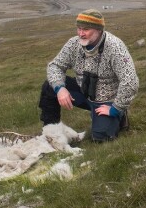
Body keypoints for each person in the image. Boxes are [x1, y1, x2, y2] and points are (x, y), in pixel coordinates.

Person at [38, 9, 139, 142]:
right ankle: (51, 132)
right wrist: (60, 88)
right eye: (79, 28)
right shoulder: (73, 44)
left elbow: (130, 81)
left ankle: (120, 116)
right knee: (49, 87)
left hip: (106, 101)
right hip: (83, 92)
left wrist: (116, 108)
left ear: (98, 29)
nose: (81, 33)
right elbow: (55, 66)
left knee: (101, 138)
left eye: (86, 29)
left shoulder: (115, 47)